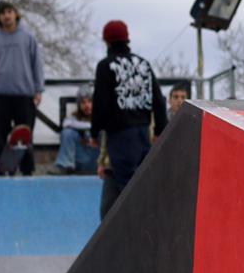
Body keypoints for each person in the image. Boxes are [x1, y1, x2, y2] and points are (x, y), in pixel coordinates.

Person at [91, 20, 167, 197]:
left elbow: (100, 103)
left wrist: (95, 132)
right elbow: (158, 100)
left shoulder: (105, 66)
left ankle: (137, 224)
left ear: (107, 42)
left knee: (128, 191)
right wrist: (159, 129)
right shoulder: (143, 64)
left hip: (120, 135)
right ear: (127, 40)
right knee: (141, 182)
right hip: (143, 134)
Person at [0, 0, 44, 176]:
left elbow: (36, 64)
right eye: (2, 13)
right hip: (0, 94)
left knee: (24, 135)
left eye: (9, 12)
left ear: (16, 14)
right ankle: (0, 171)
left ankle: (27, 170)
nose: (6, 16)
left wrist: (38, 89)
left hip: (23, 94)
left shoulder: (28, 37)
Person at [52, 88, 99, 174]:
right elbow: (66, 123)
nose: (87, 105)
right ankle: (66, 166)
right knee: (67, 133)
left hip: (97, 162)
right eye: (83, 103)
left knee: (104, 133)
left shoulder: (100, 117)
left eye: (89, 102)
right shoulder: (73, 118)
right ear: (79, 105)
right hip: (79, 161)